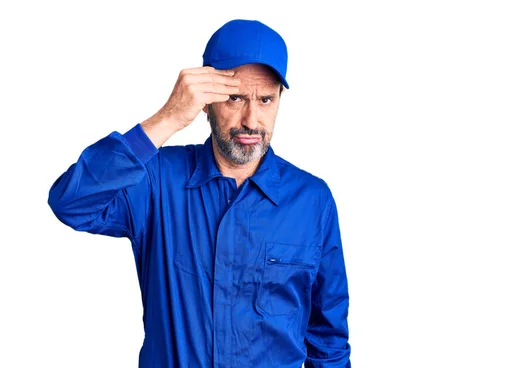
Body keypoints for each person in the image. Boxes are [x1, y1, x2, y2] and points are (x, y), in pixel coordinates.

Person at [47, 19, 351, 367]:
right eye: (234, 98)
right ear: (205, 100)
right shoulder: (158, 180)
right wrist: (169, 117)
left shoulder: (312, 201)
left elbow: (328, 339)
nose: (252, 120)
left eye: (266, 100)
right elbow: (70, 202)